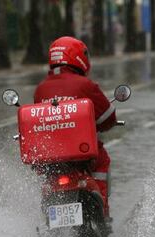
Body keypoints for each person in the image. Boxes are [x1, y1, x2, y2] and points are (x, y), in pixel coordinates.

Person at [34, 36, 116, 226]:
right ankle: (103, 210)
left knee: (47, 178)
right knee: (101, 161)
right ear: (78, 57)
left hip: (53, 157)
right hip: (81, 157)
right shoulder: (85, 85)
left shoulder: (40, 89)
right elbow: (108, 118)